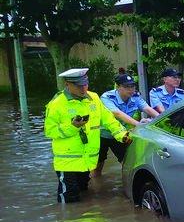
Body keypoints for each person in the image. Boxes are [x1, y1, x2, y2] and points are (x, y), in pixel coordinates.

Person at [44, 68, 131, 203]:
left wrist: (122, 135)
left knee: (84, 192)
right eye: (79, 86)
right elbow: (49, 131)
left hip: (87, 161)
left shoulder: (94, 98)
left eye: (85, 84)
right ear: (67, 84)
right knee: (69, 198)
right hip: (67, 162)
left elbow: (108, 120)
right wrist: (73, 127)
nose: (83, 88)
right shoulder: (56, 104)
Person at [94, 73, 160, 176]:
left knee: (127, 161)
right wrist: (138, 124)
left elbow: (147, 109)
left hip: (120, 134)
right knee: (98, 164)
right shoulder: (107, 97)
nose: (131, 89)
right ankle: (96, 185)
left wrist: (162, 120)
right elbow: (117, 114)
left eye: (132, 86)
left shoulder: (135, 96)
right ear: (118, 87)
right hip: (101, 134)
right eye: (126, 86)